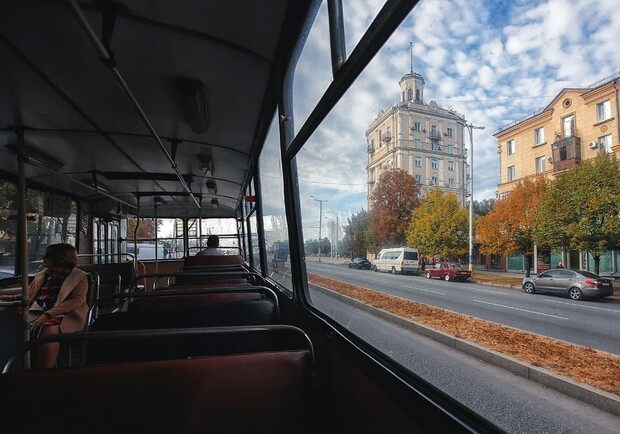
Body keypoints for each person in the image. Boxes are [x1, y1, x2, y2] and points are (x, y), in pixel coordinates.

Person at [1, 244, 89, 368]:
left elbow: (75, 301)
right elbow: (29, 295)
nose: (43, 258)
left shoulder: (79, 277)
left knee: (49, 328)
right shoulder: (43, 275)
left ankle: (45, 370)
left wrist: (47, 315)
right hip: (40, 310)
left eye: (48, 255)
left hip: (68, 314)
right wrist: (4, 298)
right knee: (7, 318)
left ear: (59, 258)